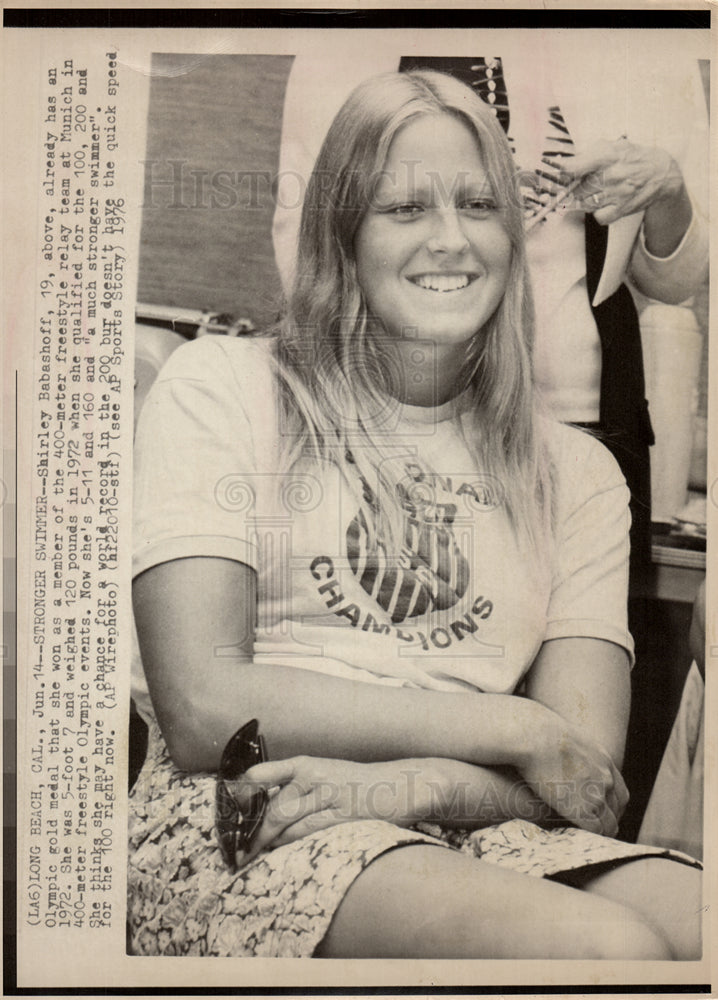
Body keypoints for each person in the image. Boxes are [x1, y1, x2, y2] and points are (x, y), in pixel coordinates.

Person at [129, 70, 701, 960]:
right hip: (251, 810)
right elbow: (205, 707)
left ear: (514, 237)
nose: (451, 241)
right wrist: (511, 728)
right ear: (342, 233)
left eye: (479, 205)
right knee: (607, 950)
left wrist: (414, 788)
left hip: (471, 811)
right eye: (404, 209)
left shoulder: (579, 472)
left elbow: (585, 776)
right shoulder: (223, 388)